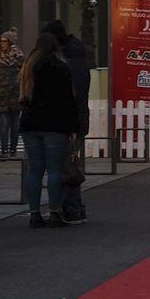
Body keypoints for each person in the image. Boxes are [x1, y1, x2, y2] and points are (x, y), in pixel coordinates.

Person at [20, 33, 79, 228]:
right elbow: (69, 100)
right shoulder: (60, 68)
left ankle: (34, 214)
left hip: (31, 124)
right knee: (54, 170)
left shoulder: (28, 67)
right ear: (56, 48)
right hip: (55, 124)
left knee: (35, 170)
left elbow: (23, 97)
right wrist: (73, 127)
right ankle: (55, 212)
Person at [43, 20, 92, 224]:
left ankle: (72, 207)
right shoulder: (77, 56)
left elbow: (74, 93)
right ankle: (75, 206)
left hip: (69, 119)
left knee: (68, 163)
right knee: (71, 163)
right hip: (76, 118)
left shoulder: (68, 60)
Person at [0, 29, 24, 158]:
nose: (2, 44)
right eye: (1, 41)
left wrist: (20, 86)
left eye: (4, 41)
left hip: (15, 95)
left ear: (10, 42)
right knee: (4, 125)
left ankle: (13, 150)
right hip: (2, 95)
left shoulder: (19, 56)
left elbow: (24, 73)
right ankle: (4, 151)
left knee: (15, 125)